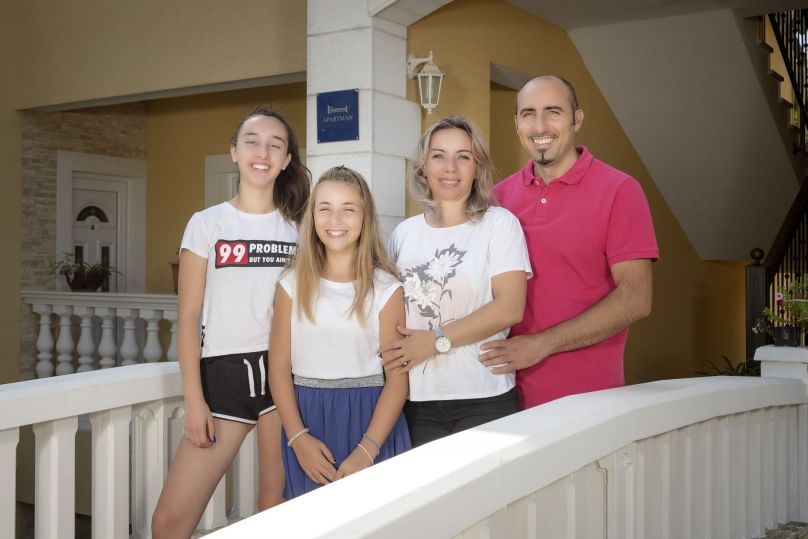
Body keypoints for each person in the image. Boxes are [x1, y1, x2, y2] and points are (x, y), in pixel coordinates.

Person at [152, 106, 310, 538]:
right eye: (252, 142)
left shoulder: (301, 228)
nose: (263, 153)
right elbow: (188, 318)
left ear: (287, 159)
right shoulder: (207, 224)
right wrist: (194, 399)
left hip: (285, 375)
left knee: (274, 510)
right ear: (234, 152)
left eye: (275, 145)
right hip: (224, 377)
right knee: (168, 523)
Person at [481, 75, 659, 409]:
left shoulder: (620, 190)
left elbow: (636, 298)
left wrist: (541, 345)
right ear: (516, 123)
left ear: (577, 119)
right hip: (499, 396)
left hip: (590, 400)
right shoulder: (496, 198)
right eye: (528, 114)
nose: (540, 126)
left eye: (553, 111)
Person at [382, 116, 532, 447]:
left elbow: (510, 307)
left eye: (463, 156)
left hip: (484, 395)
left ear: (477, 168)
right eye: (438, 156)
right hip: (415, 400)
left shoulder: (499, 224)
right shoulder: (403, 234)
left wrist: (434, 341)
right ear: (423, 167)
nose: (450, 167)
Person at [269, 166, 411, 498]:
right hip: (307, 422)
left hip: (372, 422)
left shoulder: (386, 288)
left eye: (348, 209)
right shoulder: (291, 284)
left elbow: (397, 380)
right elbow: (278, 369)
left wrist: (367, 450)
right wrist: (298, 439)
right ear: (312, 217)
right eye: (325, 208)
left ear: (365, 217)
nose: (335, 220)